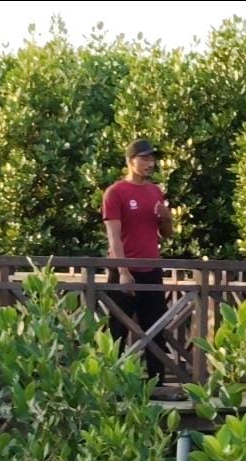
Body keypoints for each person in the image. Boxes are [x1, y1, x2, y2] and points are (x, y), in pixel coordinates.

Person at [102, 138, 176, 393]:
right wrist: (123, 271)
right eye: (144, 158)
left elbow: (166, 233)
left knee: (155, 326)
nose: (150, 163)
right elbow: (113, 236)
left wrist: (167, 218)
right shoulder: (115, 192)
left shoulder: (155, 192)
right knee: (118, 328)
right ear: (130, 161)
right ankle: (110, 383)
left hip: (151, 267)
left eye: (152, 158)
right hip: (124, 268)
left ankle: (157, 383)